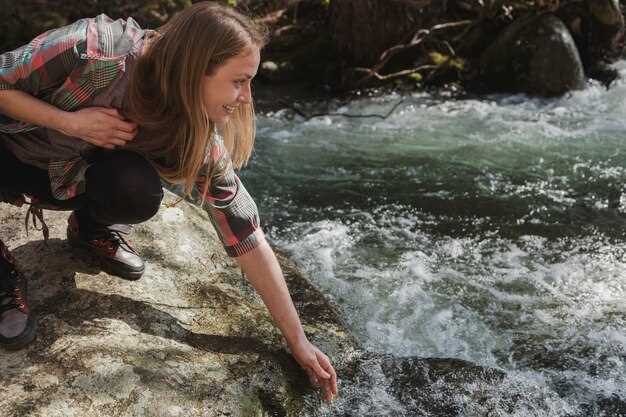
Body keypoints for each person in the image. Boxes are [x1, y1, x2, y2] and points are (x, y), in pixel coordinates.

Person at [0, 1, 338, 402]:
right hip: (9, 154)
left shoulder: (191, 127)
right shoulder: (93, 48)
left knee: (137, 190)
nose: (247, 98)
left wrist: (298, 341)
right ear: (196, 69)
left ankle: (90, 227)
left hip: (64, 179)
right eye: (239, 81)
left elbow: (247, 235)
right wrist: (69, 121)